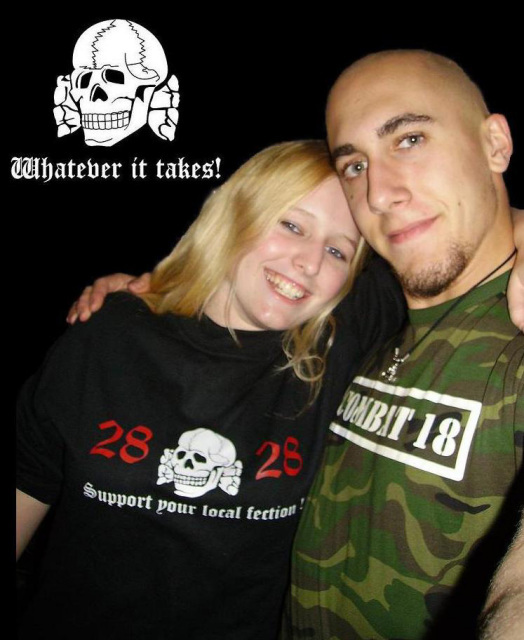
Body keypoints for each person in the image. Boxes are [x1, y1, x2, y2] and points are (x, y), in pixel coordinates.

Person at [16, 140, 407, 640]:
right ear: (235, 214)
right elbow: (28, 483)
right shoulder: (108, 336)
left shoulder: (339, 348)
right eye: (291, 225)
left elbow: (458, 239)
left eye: (337, 251)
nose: (310, 262)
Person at [287, 50, 523, 639]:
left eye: (410, 139)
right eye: (354, 165)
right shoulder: (360, 329)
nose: (379, 193)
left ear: (495, 144)